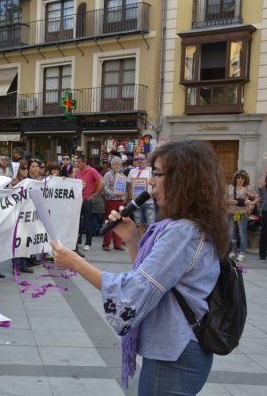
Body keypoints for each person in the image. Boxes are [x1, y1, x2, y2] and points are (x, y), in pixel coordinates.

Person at [51, 140, 228, 395]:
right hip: (176, 349)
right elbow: (152, 280)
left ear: (184, 179)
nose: (151, 182)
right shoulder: (187, 225)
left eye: (157, 173)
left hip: (174, 357)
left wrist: (75, 262)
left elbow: (135, 291)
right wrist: (133, 239)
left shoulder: (183, 232)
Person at [226, 170, 258, 262]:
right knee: (232, 233)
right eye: (238, 177)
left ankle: (242, 253)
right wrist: (230, 201)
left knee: (242, 233)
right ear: (235, 178)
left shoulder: (247, 188)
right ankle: (232, 252)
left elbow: (257, 197)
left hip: (243, 213)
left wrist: (251, 203)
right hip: (231, 212)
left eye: (242, 178)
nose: (240, 179)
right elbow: (224, 198)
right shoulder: (230, 187)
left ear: (245, 179)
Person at [75, 154, 104, 252]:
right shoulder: (77, 171)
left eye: (79, 162)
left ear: (84, 162)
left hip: (87, 199)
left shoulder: (91, 170)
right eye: (76, 162)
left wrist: (95, 194)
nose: (77, 164)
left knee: (88, 222)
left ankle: (88, 242)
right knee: (78, 221)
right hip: (78, 199)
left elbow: (101, 181)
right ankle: (77, 240)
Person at [126, 153, 155, 238]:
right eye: (137, 159)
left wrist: (153, 192)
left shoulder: (151, 170)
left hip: (149, 201)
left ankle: (150, 243)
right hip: (137, 201)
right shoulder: (132, 171)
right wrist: (131, 197)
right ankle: (141, 244)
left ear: (146, 160)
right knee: (139, 223)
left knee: (151, 224)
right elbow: (128, 185)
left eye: (142, 159)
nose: (139, 161)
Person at [102, 156, 126, 251]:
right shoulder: (107, 175)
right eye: (115, 164)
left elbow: (124, 189)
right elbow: (105, 188)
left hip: (120, 201)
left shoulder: (122, 175)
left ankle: (117, 244)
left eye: (118, 164)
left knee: (119, 222)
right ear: (111, 165)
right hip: (111, 201)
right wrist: (114, 194)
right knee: (109, 221)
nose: (117, 166)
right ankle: (106, 244)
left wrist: (124, 197)